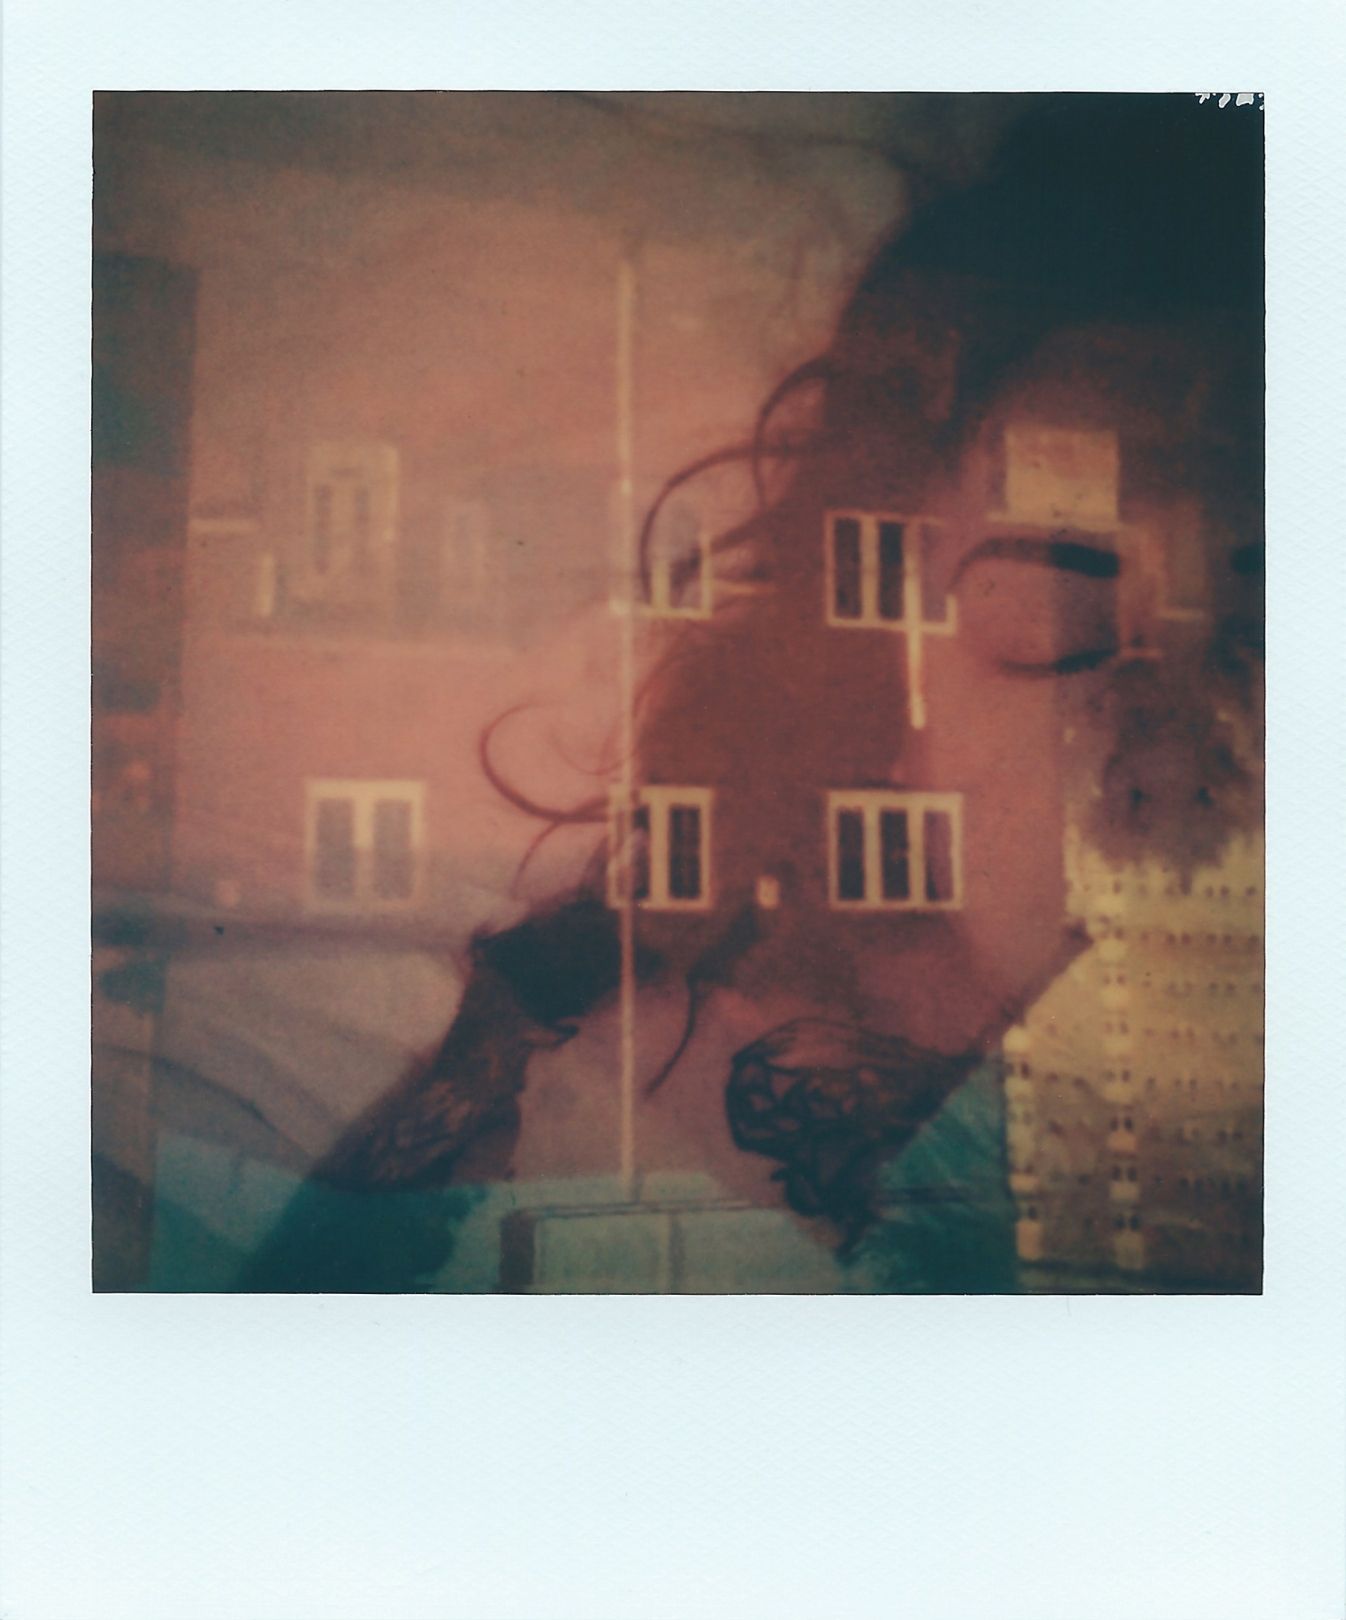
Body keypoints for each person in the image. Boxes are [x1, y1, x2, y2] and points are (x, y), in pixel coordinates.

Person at [252, 93, 1263, 1292]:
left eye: (1260, 635)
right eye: (1059, 591)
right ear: (882, 645)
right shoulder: (601, 1075)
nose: (1167, 740)